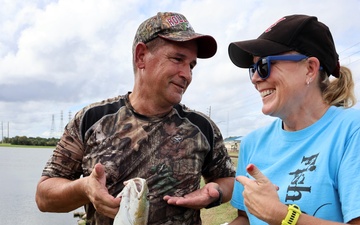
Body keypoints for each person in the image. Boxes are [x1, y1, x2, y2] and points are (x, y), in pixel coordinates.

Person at [35, 12, 235, 225]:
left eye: (192, 65)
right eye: (178, 59)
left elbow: (226, 180)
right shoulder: (91, 119)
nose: (187, 74)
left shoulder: (202, 127)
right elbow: (44, 196)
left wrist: (216, 192)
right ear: (141, 56)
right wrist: (84, 189)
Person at [227, 14, 360, 225]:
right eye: (253, 69)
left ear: (310, 69)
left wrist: (284, 217)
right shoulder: (252, 143)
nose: (254, 78)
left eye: (264, 65)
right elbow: (244, 218)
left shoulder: (352, 131)